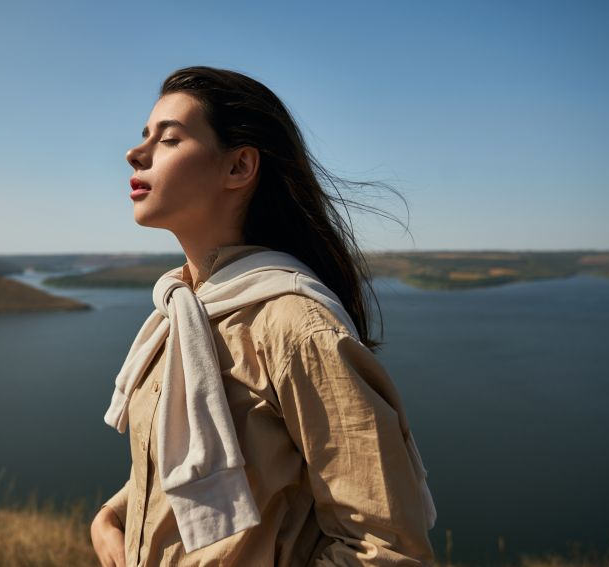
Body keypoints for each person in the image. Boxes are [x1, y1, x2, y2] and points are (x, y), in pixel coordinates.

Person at [90, 65, 436, 567]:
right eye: (144, 137)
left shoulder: (294, 326)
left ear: (239, 168)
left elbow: (386, 549)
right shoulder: (186, 312)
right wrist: (111, 518)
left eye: (168, 140)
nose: (134, 153)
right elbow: (200, 461)